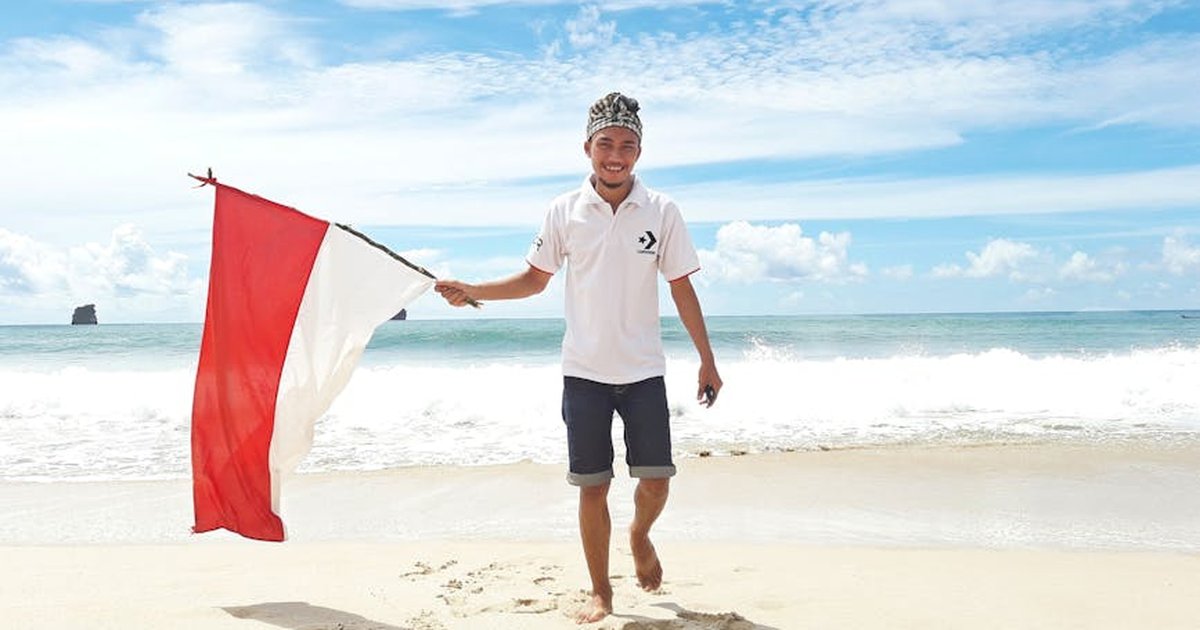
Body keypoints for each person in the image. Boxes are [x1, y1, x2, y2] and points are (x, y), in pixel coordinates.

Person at [434, 92, 722, 624]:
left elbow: (682, 287)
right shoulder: (564, 211)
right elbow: (533, 280)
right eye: (606, 143)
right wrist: (472, 289)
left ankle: (639, 537)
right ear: (587, 147)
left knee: (655, 481)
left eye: (627, 145)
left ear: (640, 151)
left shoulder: (662, 211)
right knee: (594, 487)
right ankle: (601, 593)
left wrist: (706, 358)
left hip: (643, 372)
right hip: (584, 373)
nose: (616, 154)